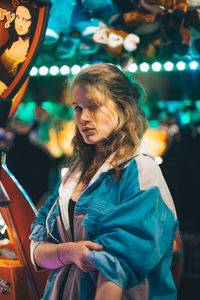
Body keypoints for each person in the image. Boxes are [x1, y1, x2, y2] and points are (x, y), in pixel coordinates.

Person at [29, 63, 178, 300]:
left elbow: (115, 267)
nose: (84, 118)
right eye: (78, 108)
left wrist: (60, 253)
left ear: (122, 106)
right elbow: (37, 247)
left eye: (94, 106)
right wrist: (69, 251)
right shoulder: (75, 171)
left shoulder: (140, 171)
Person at [0, 4, 37, 96]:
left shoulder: (32, 52)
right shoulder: (6, 47)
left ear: (32, 22)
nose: (20, 23)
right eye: (18, 17)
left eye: (25, 20)